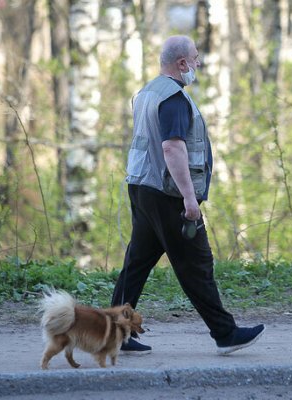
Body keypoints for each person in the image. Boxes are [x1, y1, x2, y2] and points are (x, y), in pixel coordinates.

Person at [111, 35, 264, 355]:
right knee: (197, 263)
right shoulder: (175, 99)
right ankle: (225, 333)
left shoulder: (146, 92)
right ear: (182, 63)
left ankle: (115, 332)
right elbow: (172, 147)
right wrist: (189, 199)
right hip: (168, 193)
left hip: (141, 186)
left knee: (136, 263)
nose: (198, 63)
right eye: (195, 58)